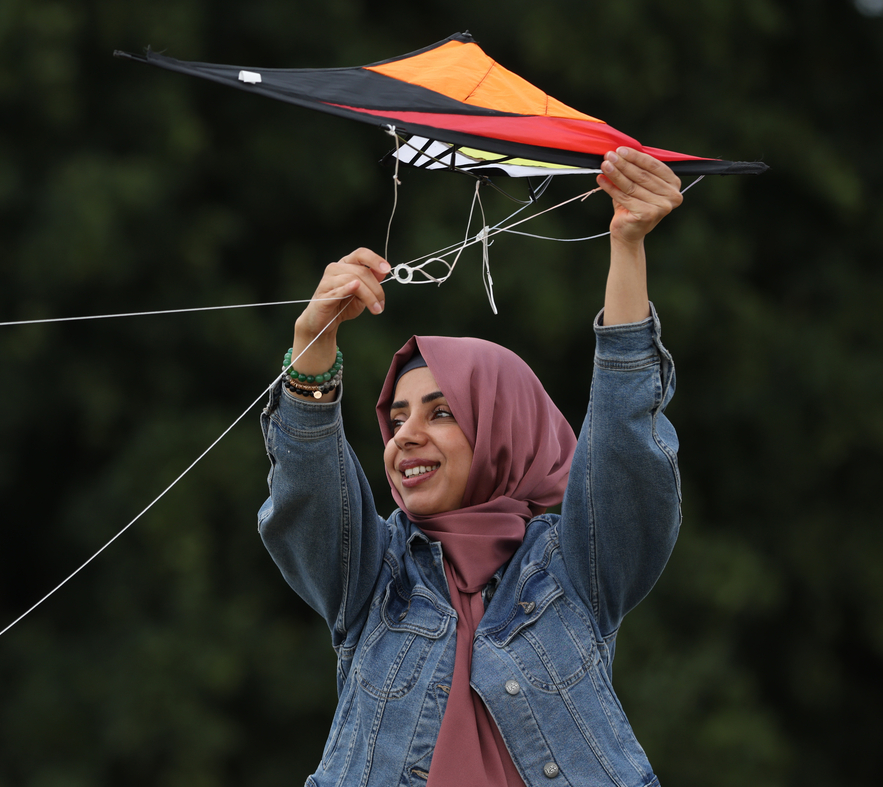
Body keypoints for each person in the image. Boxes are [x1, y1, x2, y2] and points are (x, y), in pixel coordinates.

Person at [258, 147, 684, 787]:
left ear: (503, 430)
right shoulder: (373, 578)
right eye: (396, 418)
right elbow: (309, 493)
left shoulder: (577, 571)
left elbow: (626, 441)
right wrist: (310, 352)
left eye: (440, 413)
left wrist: (627, 244)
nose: (405, 437)